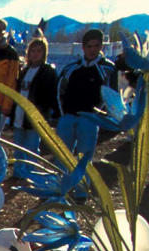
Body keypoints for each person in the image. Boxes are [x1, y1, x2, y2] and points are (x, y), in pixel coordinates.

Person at [56, 29, 117, 167]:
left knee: (84, 162)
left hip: (89, 120)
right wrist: (63, 114)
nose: (92, 50)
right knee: (61, 159)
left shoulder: (108, 69)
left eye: (96, 46)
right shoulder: (71, 68)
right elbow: (60, 91)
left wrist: (98, 115)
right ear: (83, 47)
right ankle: (60, 187)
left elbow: (111, 95)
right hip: (68, 118)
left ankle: (81, 188)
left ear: (101, 46)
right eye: (89, 46)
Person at [11, 37, 58, 176]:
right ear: (28, 53)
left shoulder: (48, 72)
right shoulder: (24, 71)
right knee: (18, 146)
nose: (35, 54)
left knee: (31, 146)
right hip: (20, 114)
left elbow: (51, 95)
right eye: (33, 51)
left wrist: (44, 113)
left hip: (35, 117)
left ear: (44, 53)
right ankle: (18, 172)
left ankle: (31, 174)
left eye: (39, 51)